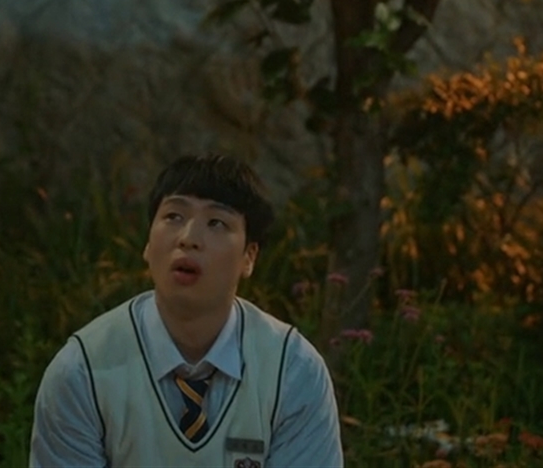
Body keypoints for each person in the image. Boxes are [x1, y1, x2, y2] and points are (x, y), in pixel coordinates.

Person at [29, 154, 344, 467]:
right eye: (174, 217)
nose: (189, 238)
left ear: (249, 256)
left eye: (216, 223)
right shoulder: (82, 370)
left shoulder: (293, 370)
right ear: (148, 244)